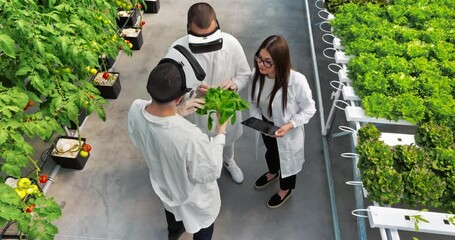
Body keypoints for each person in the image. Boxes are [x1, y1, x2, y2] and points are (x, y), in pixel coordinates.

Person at [128, 59, 228, 240]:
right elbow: (210, 170)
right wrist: (220, 132)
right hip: (193, 198)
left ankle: (173, 236)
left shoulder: (135, 108)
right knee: (203, 226)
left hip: (164, 185)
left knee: (173, 216)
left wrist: (177, 112)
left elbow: (142, 136)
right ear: (179, 97)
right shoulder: (190, 136)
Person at [169, 2, 251, 184]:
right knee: (197, 144)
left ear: (217, 23)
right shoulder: (177, 50)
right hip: (195, 109)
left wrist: (234, 84)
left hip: (225, 106)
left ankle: (229, 161)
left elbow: (244, 74)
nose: (207, 41)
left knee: (228, 138)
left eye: (211, 35)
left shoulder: (231, 43)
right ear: (189, 27)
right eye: (200, 37)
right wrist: (191, 94)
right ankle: (200, 169)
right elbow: (171, 88)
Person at [248, 35, 316, 208]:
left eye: (267, 62)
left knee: (287, 161)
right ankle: (272, 172)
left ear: (280, 61)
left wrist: (290, 125)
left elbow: (309, 108)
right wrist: (258, 121)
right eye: (259, 58)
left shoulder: (297, 81)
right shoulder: (256, 75)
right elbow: (253, 102)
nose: (261, 64)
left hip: (287, 131)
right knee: (271, 153)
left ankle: (286, 189)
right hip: (266, 125)